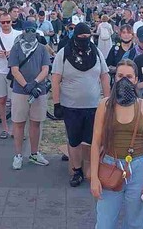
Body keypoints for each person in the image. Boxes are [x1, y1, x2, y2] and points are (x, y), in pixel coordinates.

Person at [90, 60, 143, 229]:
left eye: (128, 76)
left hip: (139, 167)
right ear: (114, 77)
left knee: (137, 223)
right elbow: (96, 143)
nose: (124, 80)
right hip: (110, 165)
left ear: (136, 79)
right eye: (120, 76)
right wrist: (94, 179)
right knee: (105, 223)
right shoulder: (105, 105)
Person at [52, 22, 111, 187]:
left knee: (94, 140)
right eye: (81, 38)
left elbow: (105, 76)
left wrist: (107, 100)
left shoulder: (96, 53)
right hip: (71, 106)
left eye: (87, 37)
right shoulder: (63, 54)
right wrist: (56, 103)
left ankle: (94, 169)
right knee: (74, 140)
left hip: (93, 105)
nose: (85, 40)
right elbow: (55, 79)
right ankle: (77, 170)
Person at [8, 21, 52, 169]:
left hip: (38, 91)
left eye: (33, 30)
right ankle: (18, 155)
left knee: (36, 123)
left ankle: (34, 153)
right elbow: (14, 70)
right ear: (23, 31)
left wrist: (34, 82)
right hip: (20, 91)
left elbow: (45, 69)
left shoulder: (42, 49)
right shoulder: (16, 48)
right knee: (18, 123)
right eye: (27, 30)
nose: (30, 33)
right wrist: (26, 85)